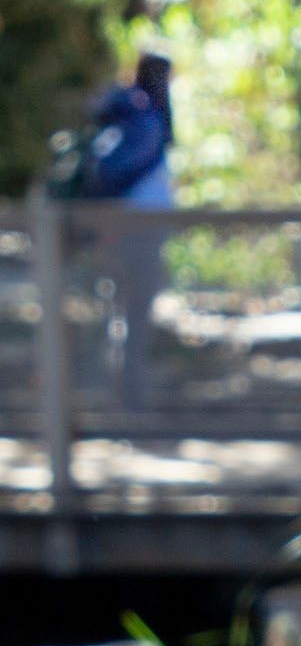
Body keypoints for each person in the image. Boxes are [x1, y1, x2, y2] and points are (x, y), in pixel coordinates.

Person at [86, 52, 175, 412]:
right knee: (132, 317)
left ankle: (116, 395)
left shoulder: (124, 116)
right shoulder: (146, 120)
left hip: (119, 229)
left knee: (116, 314)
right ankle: (128, 401)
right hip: (136, 232)